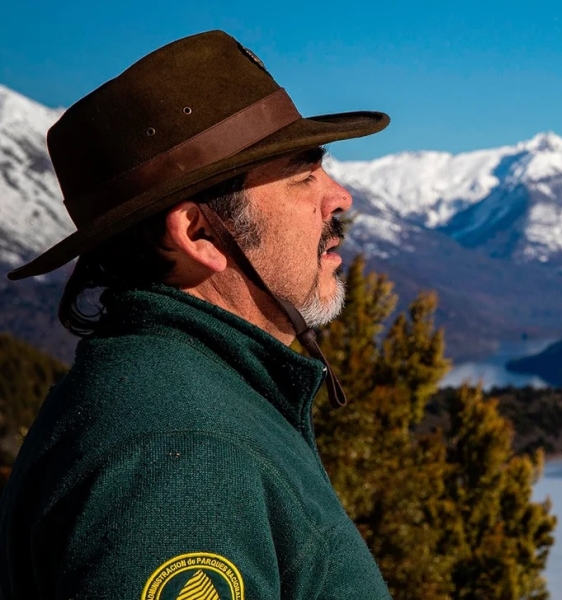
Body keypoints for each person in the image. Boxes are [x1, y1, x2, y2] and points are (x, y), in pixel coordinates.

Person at [0, 31, 393, 599]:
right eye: (303, 174)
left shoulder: (181, 404)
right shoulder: (181, 458)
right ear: (199, 232)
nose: (339, 197)